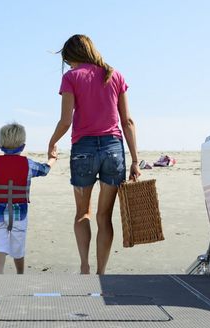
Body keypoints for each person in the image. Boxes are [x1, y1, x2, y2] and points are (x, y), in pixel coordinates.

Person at [47, 34, 141, 275]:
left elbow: (66, 120)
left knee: (82, 213)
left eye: (69, 60)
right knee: (104, 217)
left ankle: (84, 267)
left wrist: (52, 142)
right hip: (113, 150)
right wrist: (135, 160)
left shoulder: (70, 78)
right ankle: (101, 273)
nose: (69, 65)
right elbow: (127, 121)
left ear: (74, 56)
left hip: (83, 151)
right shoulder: (114, 75)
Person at [0, 122, 57, 274]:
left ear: (0, 146)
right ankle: (20, 274)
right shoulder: (28, 165)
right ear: (23, 146)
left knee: (0, 244)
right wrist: (52, 159)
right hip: (19, 214)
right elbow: (44, 170)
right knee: (18, 245)